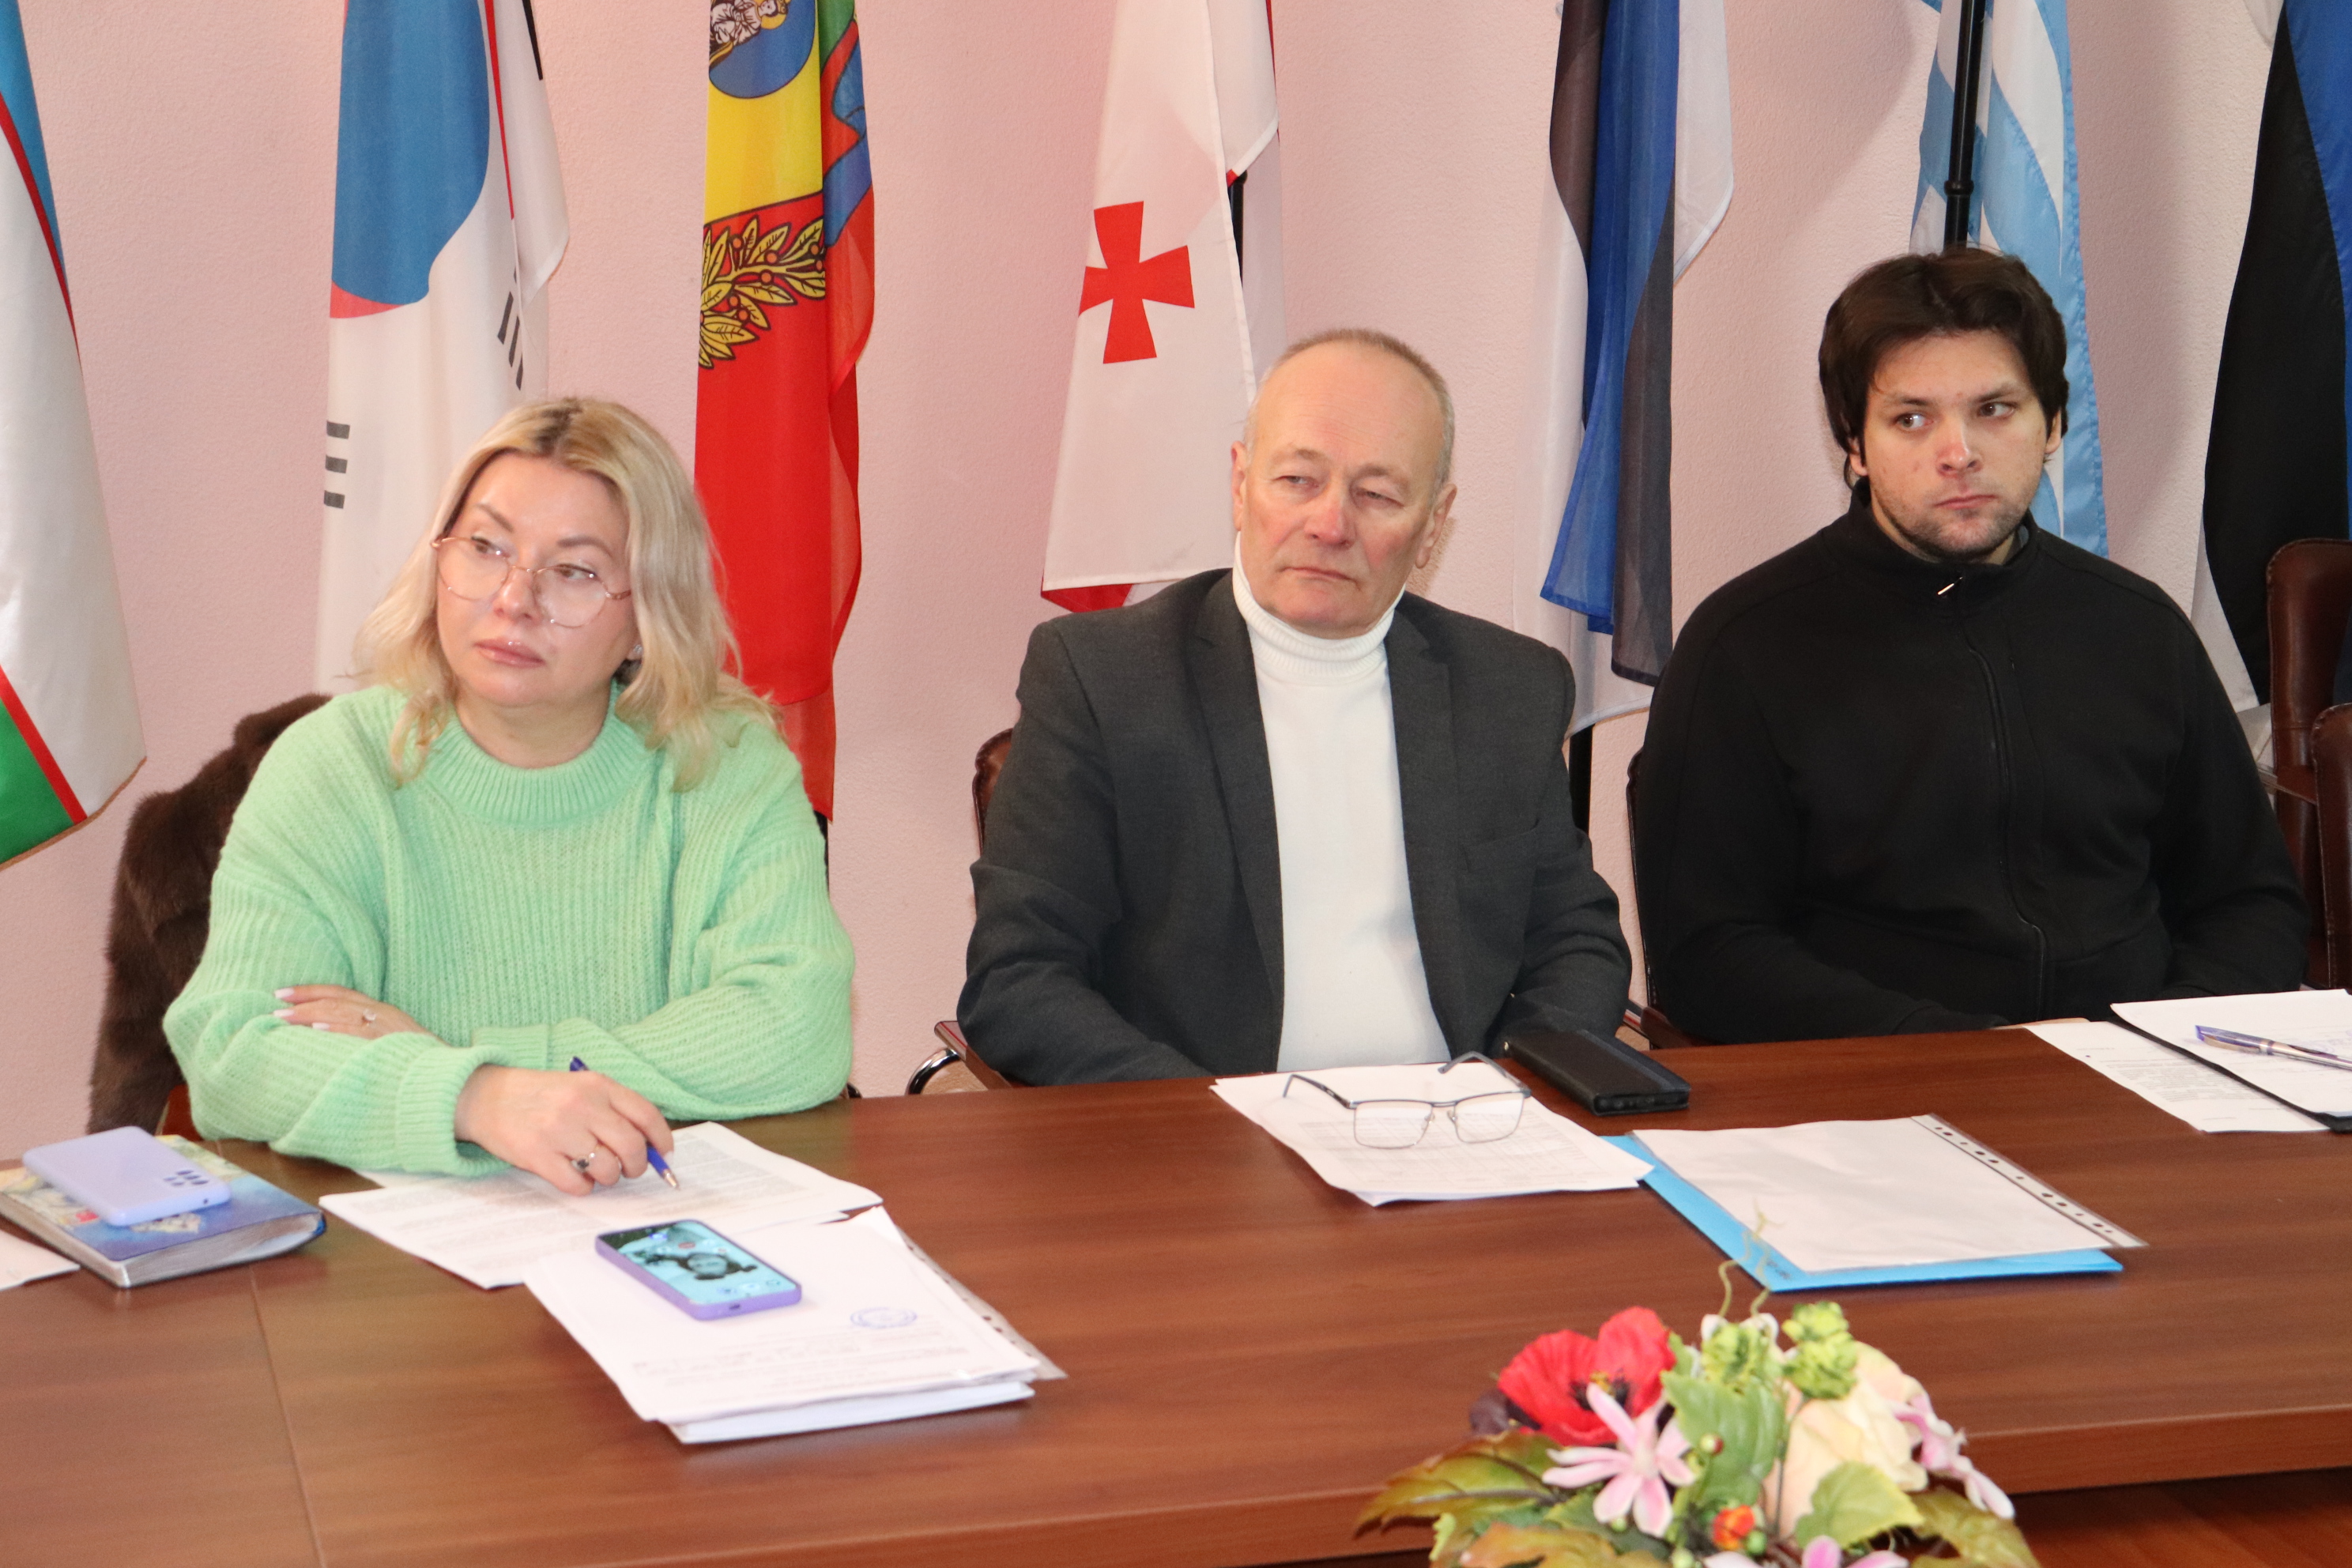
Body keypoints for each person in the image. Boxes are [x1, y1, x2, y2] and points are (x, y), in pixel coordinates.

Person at [166, 398, 852, 1190]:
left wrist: (478, 1065)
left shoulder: (725, 763)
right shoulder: (333, 765)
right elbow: (234, 1052)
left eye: (576, 571)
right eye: (486, 548)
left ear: (647, 615)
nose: (514, 600)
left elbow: (798, 1027)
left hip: (650, 1215)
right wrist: (475, 1097)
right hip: (400, 1243)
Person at [1634, 249, 2305, 1042]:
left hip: (2141, 1072)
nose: (1959, 453)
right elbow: (1708, 953)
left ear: (2052, 425)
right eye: (1911, 419)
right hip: (1887, 1078)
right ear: (1855, 445)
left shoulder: (2140, 628)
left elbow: (2249, 901)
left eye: (1994, 409)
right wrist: (1963, 1053)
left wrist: (2162, 1040)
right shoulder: (1745, 646)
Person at [960, 329, 1631, 1084]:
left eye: (1377, 495)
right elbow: (1018, 980)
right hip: (1208, 1125)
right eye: (1298, 480)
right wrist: (1216, 1119)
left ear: (1433, 524)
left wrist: (1501, 1093)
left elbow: (1577, 943)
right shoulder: (1104, 679)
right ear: (1240, 484)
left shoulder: (1508, 688)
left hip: (1455, 1121)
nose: (1330, 525)